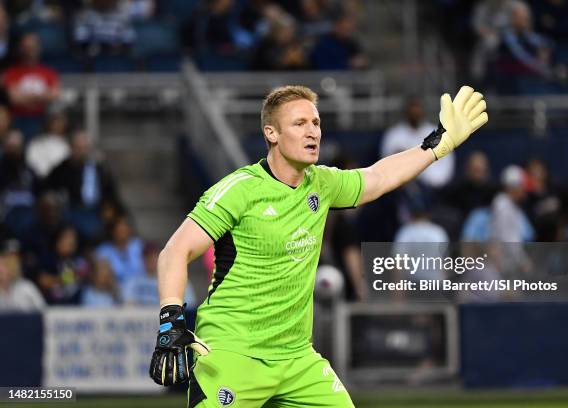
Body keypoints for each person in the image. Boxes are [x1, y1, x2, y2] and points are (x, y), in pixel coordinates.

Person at [149, 85, 488, 407]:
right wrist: (170, 322)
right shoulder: (238, 190)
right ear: (272, 134)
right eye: (300, 123)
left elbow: (379, 177)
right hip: (233, 352)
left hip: (297, 358)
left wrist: (436, 145)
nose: (313, 131)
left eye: (316, 123)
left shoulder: (322, 183)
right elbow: (175, 252)